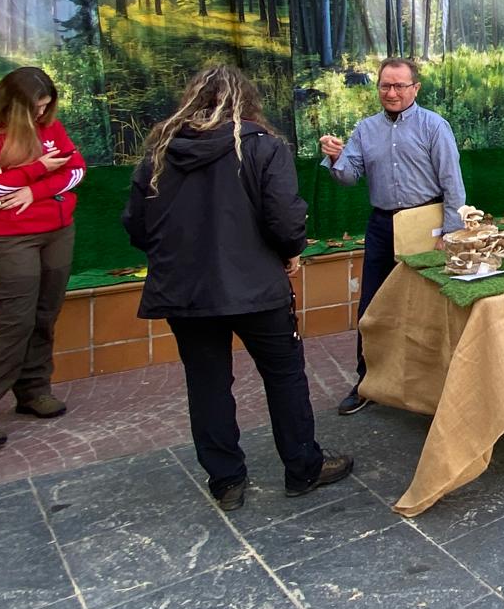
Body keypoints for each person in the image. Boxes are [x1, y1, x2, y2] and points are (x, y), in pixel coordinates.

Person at [121, 66, 351, 511]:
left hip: (186, 291)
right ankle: (303, 467)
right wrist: (291, 250)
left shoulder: (160, 153)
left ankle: (226, 480)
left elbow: (136, 224)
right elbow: (285, 218)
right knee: (284, 375)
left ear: (192, 99)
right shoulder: (263, 146)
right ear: (246, 101)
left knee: (206, 383)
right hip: (256, 287)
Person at [0, 68, 84, 451]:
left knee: (45, 313)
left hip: (57, 229)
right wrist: (38, 170)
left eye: (47, 107)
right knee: (14, 322)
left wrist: (32, 190)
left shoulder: (51, 129)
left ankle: (33, 389)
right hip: (9, 238)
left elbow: (76, 170)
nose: (43, 115)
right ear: (13, 105)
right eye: (37, 108)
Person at [320, 58, 466, 414]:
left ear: (415, 88)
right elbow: (349, 177)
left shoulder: (435, 126)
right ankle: (367, 382)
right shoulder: (365, 130)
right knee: (373, 305)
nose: (392, 93)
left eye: (400, 86)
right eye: (386, 85)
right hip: (383, 227)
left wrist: (450, 231)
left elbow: (453, 184)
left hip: (427, 223)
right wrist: (337, 157)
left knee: (429, 304)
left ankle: (436, 382)